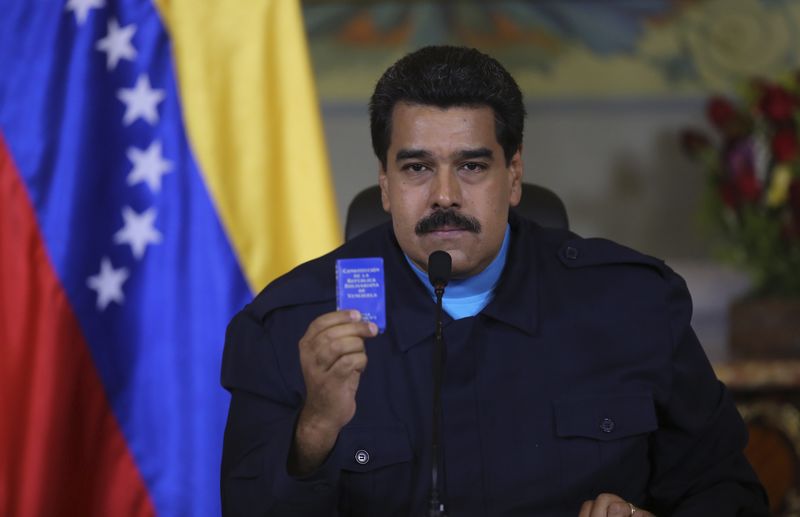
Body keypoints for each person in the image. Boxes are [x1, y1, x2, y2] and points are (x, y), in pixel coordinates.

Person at [220, 46, 768, 516]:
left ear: (514, 176)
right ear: (384, 185)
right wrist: (315, 428)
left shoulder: (632, 305)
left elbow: (730, 491)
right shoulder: (291, 324)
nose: (445, 196)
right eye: (416, 168)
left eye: (472, 166)